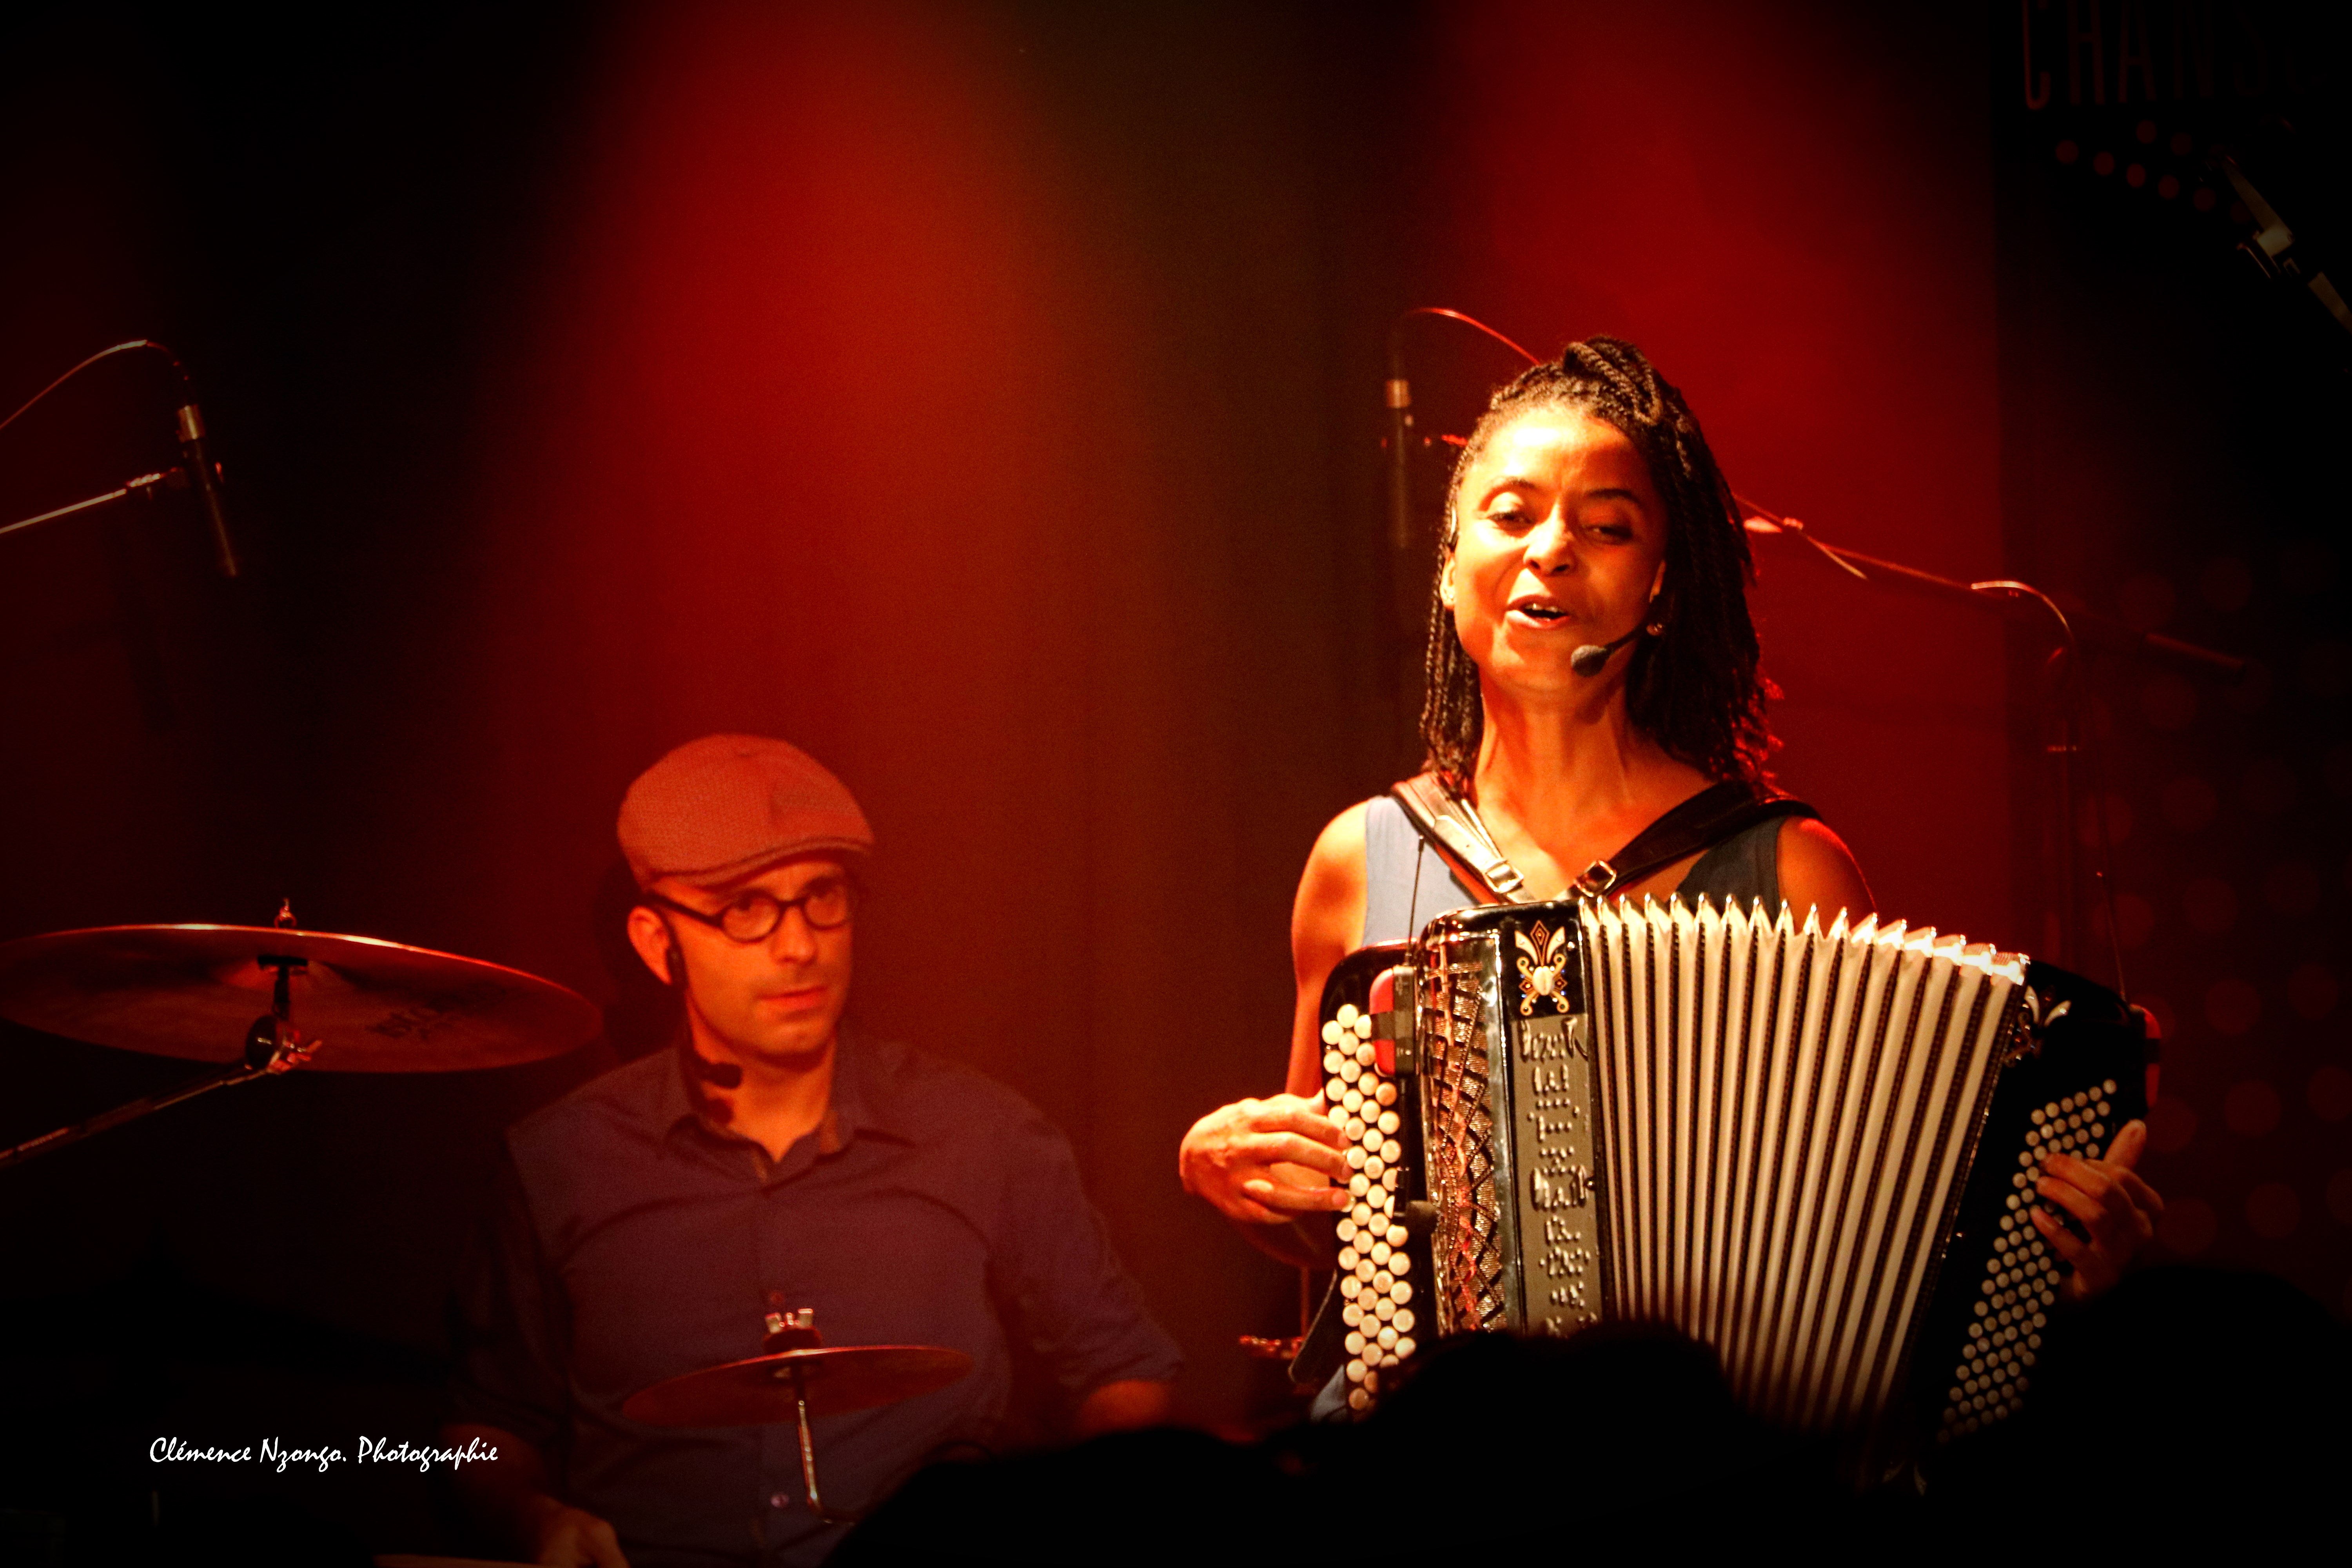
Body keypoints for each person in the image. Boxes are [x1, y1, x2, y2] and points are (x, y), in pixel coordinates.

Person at [1179, 336, 2159, 1301]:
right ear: (1448, 564)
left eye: (1607, 528)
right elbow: (1334, 1226)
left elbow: (1887, 1231)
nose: (1551, 549)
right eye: (1511, 514)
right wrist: (1230, 1172)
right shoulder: (1358, 857)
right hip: (1427, 1407)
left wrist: (2051, 1255)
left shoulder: (1788, 868)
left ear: (1659, 588)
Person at [446, 735, 1181, 1568]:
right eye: (745, 908)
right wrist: (530, 1520)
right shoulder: (558, 1162)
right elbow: (487, 1426)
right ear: (657, 942)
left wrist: (1086, 1521)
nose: (800, 946)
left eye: (822, 897)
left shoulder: (985, 1135)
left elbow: (1120, 1370)